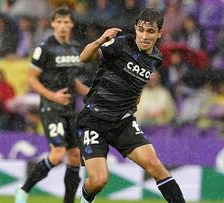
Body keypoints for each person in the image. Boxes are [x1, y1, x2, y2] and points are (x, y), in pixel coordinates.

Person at [76, 8, 185, 203]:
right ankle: (85, 199)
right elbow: (83, 58)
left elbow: (138, 84)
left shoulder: (156, 59)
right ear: (135, 29)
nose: (144, 36)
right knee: (99, 181)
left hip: (122, 122)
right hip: (94, 120)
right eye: (141, 30)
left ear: (159, 33)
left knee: (155, 166)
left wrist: (135, 100)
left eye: (150, 31)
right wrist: (100, 40)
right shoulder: (120, 43)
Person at [15, 7, 89, 203]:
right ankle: (23, 190)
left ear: (72, 24)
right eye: (60, 22)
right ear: (53, 24)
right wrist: (52, 96)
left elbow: (72, 81)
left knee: (75, 157)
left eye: (67, 22)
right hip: (51, 107)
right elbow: (31, 79)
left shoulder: (75, 48)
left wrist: (91, 93)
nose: (63, 26)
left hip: (71, 109)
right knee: (56, 155)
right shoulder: (44, 48)